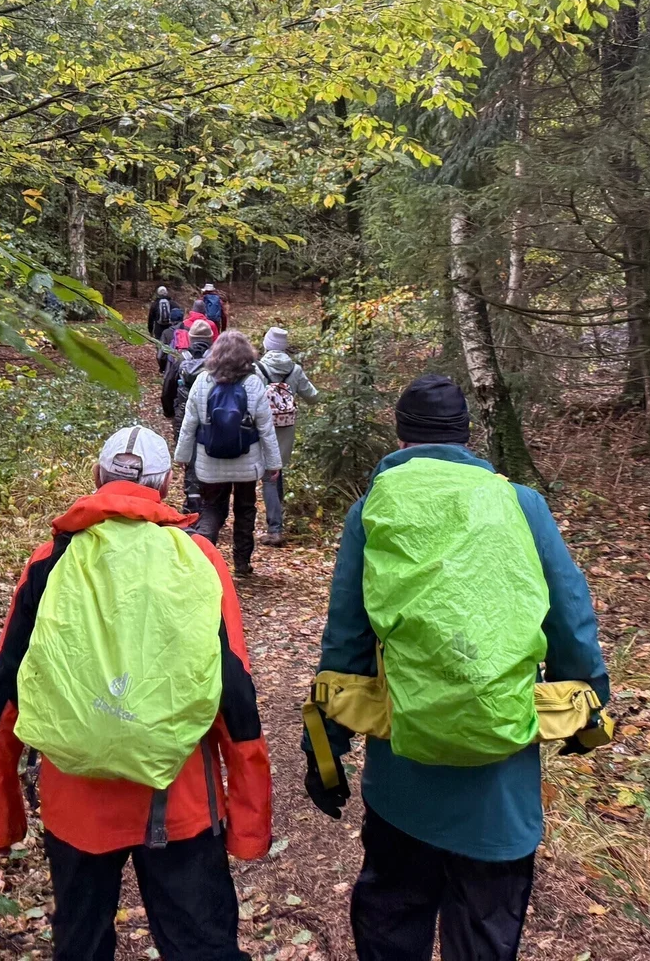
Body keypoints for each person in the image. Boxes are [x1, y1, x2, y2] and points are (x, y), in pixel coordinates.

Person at [301, 375, 608, 961]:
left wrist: (325, 750)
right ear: (468, 436)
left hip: (403, 782)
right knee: (486, 932)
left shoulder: (374, 510)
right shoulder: (522, 505)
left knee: (393, 917)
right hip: (501, 785)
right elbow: (570, 619)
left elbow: (345, 645)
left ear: (401, 433)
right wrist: (588, 714)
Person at [0, 425, 271, 961]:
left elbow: (5, 688)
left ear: (96, 478)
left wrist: (2, 817)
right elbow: (234, 694)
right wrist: (249, 825)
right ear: (163, 485)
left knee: (81, 945)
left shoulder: (49, 560)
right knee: (201, 947)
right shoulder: (199, 560)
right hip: (180, 803)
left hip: (74, 802)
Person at [173, 330, 281, 578]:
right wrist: (273, 464)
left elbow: (189, 424)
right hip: (247, 463)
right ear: (246, 355)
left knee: (212, 508)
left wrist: (183, 458)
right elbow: (266, 428)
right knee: (245, 509)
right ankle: (242, 564)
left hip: (209, 463)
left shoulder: (202, 382)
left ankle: (202, 557)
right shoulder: (253, 383)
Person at [254, 327, 319, 546]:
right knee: (276, 471)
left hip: (261, 426)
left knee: (269, 475)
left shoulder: (257, 368)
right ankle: (276, 522)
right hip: (285, 428)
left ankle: (274, 529)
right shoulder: (295, 369)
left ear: (267, 344)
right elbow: (313, 397)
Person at [162, 319, 216, 514]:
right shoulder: (217, 361)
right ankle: (209, 500)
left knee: (190, 456)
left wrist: (169, 411)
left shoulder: (181, 358)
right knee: (209, 455)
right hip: (211, 416)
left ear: (190, 338)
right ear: (211, 339)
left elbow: (168, 385)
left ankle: (192, 501)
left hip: (184, 414)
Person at [147, 286, 179, 372]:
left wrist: (150, 330)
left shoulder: (155, 304)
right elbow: (179, 314)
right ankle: (170, 365)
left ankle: (162, 367)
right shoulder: (173, 303)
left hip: (159, 329)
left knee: (160, 346)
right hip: (170, 328)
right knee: (171, 345)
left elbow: (150, 319)